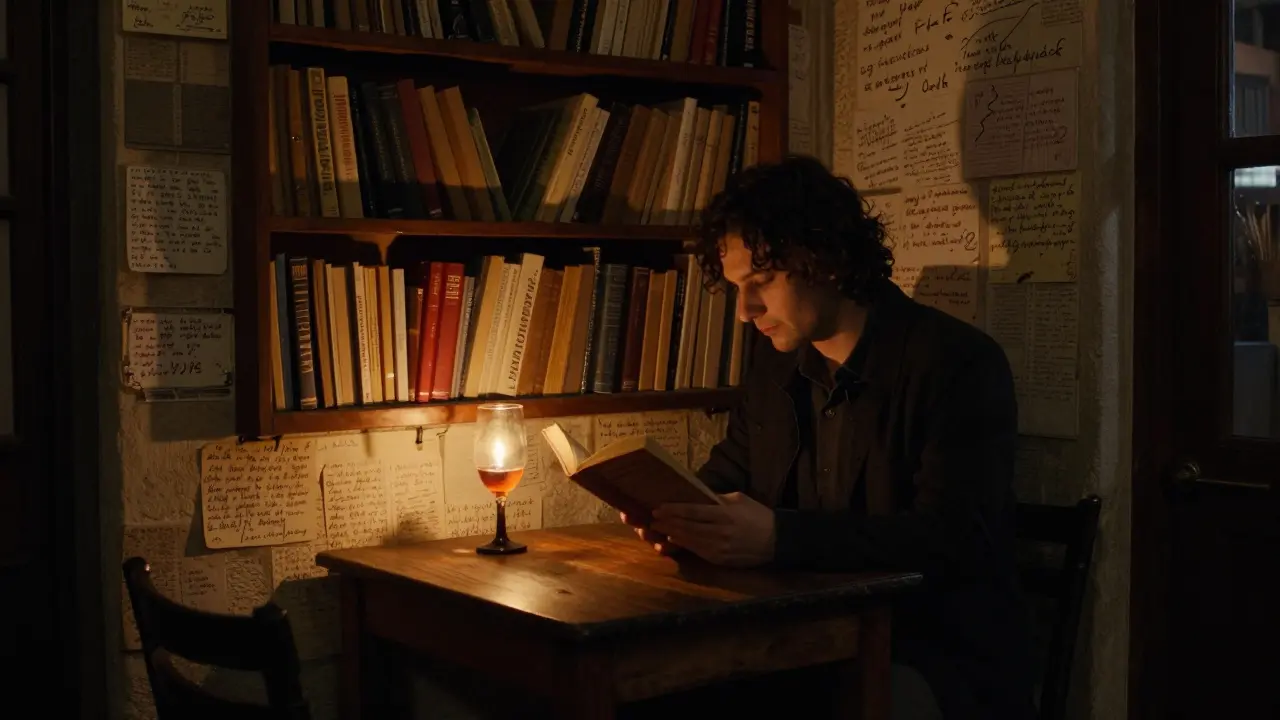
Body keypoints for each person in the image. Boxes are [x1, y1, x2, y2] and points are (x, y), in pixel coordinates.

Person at [621, 155, 1037, 719]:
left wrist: (779, 539)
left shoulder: (956, 363)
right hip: (801, 642)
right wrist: (674, 511)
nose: (745, 311)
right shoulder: (776, 367)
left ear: (827, 260)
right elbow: (727, 475)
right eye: (738, 287)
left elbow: (952, 540)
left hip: (931, 654)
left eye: (762, 282)